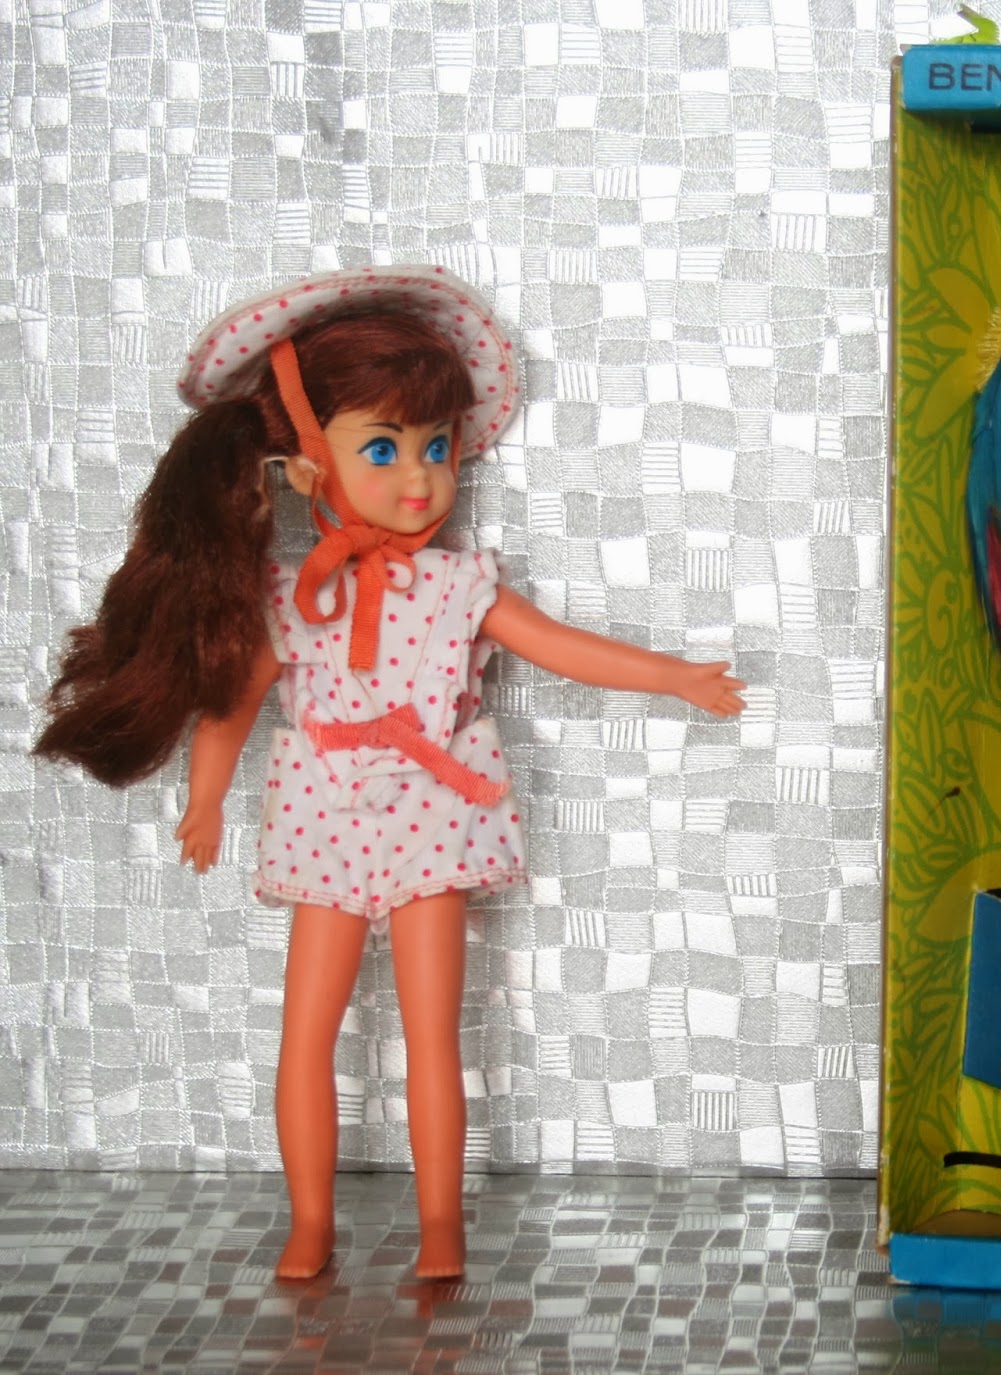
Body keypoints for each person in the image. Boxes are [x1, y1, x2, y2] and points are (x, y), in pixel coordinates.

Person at [34, 266, 745, 1280]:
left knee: (430, 1032)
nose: (419, 478)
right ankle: (310, 1219)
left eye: (436, 447)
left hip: (434, 810)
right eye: (383, 447)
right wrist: (203, 799)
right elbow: (231, 706)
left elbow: (559, 645)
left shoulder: (461, 582)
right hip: (324, 809)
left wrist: (673, 675)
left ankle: (440, 1221)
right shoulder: (289, 593)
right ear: (305, 463)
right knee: (307, 1032)